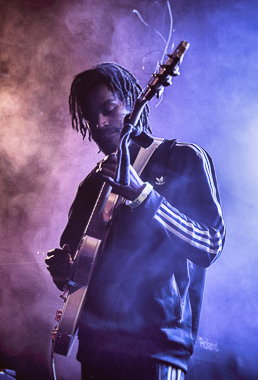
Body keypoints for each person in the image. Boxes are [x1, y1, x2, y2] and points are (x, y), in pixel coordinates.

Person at [45, 62, 225, 380]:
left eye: (109, 109)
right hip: (96, 347)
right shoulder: (91, 185)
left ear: (133, 103)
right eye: (90, 116)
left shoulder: (182, 158)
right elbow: (79, 269)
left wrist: (143, 195)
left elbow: (209, 244)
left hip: (157, 345)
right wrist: (64, 272)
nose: (99, 123)